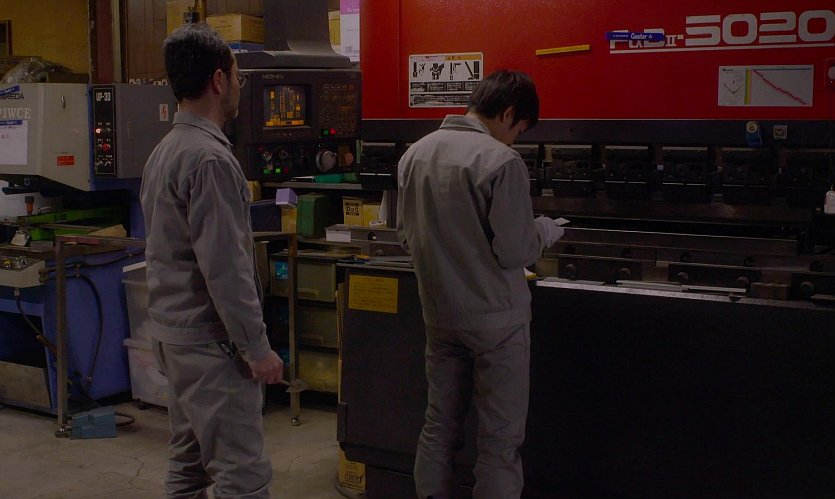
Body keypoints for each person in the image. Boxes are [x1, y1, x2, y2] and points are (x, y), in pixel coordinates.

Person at [396, 70, 565, 499]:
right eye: (519, 130)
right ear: (507, 114)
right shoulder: (501, 161)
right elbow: (516, 251)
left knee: (438, 425)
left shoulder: (415, 154)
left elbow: (405, 236)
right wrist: (545, 230)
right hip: (497, 323)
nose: (515, 140)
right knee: (499, 441)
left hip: (440, 316)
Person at [140, 23, 284, 499]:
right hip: (210, 345)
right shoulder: (211, 161)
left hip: (173, 336)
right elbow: (225, 270)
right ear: (219, 81)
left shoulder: (164, 152)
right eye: (238, 75)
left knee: (188, 465)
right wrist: (256, 348)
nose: (239, 84)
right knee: (243, 477)